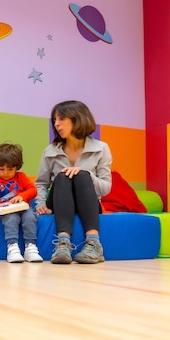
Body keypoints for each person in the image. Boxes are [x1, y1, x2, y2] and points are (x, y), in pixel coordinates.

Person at [35, 100, 112, 264]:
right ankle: (63, 244)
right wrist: (40, 204)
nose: (56, 124)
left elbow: (105, 188)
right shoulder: (50, 151)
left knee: (82, 175)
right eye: (54, 120)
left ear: (77, 119)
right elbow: (41, 183)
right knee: (63, 177)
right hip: (59, 202)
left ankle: (94, 244)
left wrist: (87, 174)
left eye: (61, 118)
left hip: (89, 202)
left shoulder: (101, 148)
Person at [0, 142, 43, 263]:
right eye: (1, 169)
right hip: (5, 210)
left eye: (10, 169)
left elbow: (33, 190)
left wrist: (22, 196)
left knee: (30, 216)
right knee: (12, 218)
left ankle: (30, 247)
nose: (5, 173)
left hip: (23, 208)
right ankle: (12, 247)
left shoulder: (21, 176)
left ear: (17, 167)